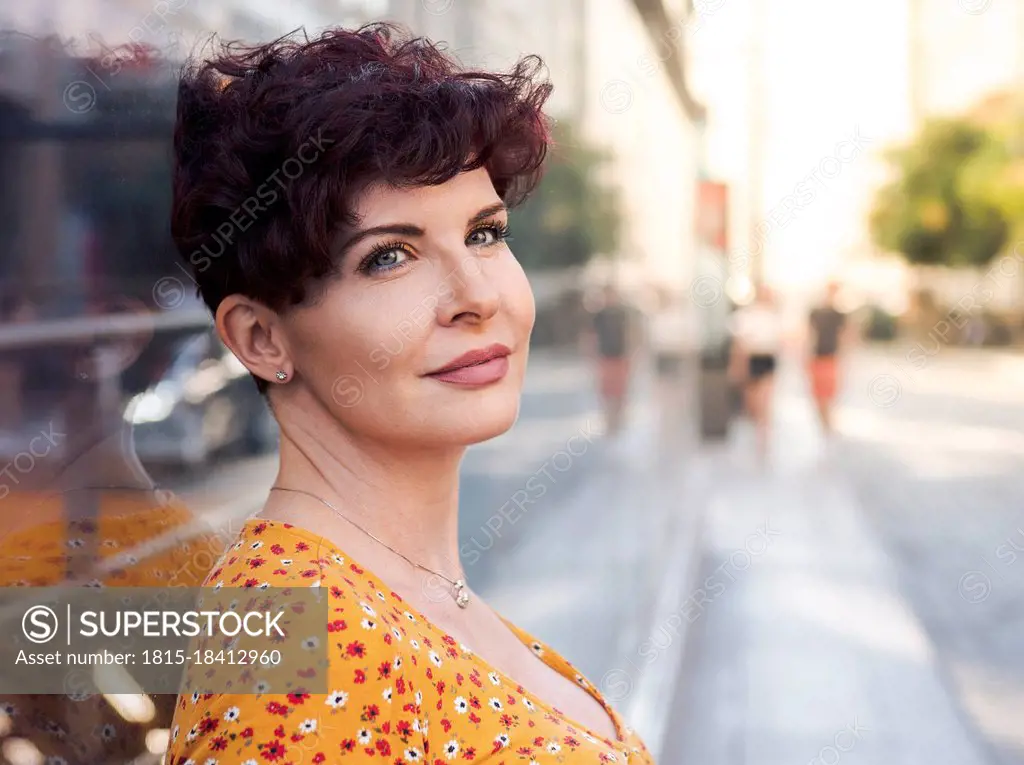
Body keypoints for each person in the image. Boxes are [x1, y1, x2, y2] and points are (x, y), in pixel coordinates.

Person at [165, 24, 653, 765]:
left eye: (486, 233)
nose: (476, 295)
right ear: (263, 339)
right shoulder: (299, 639)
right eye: (390, 256)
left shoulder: (383, 596)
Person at [728, 284, 783, 462]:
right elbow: (739, 344)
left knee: (765, 402)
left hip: (766, 359)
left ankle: (764, 438)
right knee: (752, 403)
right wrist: (737, 366)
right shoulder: (746, 316)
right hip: (751, 360)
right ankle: (757, 429)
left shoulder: (774, 316)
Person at [584, 284, 636, 437]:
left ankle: (619, 419)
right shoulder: (598, 316)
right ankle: (609, 421)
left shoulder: (623, 314)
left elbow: (631, 333)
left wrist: (633, 353)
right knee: (606, 391)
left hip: (620, 355)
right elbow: (590, 336)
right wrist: (590, 355)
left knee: (620, 391)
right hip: (605, 356)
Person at [807, 281, 849, 437]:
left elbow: (844, 337)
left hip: (831, 357)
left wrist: (845, 359)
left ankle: (827, 426)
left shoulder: (839, 314)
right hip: (816, 357)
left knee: (829, 395)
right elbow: (809, 335)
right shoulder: (815, 312)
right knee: (818, 396)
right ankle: (824, 425)